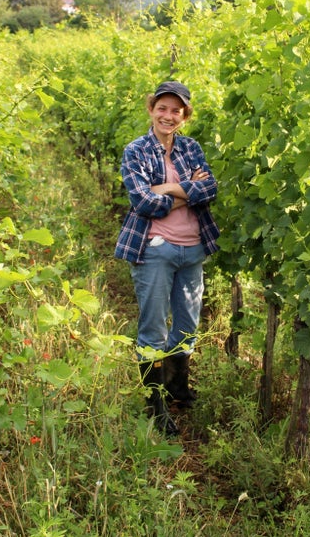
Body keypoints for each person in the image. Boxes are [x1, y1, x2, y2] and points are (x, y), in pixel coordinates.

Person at [115, 80, 220, 436]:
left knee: (188, 325)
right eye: (162, 108)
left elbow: (210, 188)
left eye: (177, 110)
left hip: (193, 248)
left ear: (184, 116)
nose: (168, 116)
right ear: (151, 109)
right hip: (154, 249)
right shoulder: (136, 151)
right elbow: (143, 202)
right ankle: (156, 404)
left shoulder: (191, 148)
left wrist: (169, 189)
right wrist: (189, 190)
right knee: (154, 329)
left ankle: (177, 387)